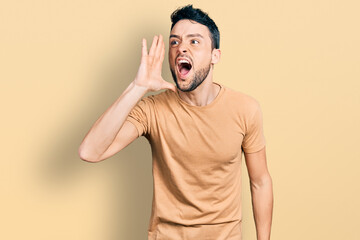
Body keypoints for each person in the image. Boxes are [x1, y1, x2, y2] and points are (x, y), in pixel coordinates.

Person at [78, 4, 273, 240]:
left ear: (215, 55)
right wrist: (136, 88)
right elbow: (90, 151)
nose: (181, 48)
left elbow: (260, 182)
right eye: (175, 42)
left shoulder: (246, 109)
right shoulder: (152, 110)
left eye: (194, 41)